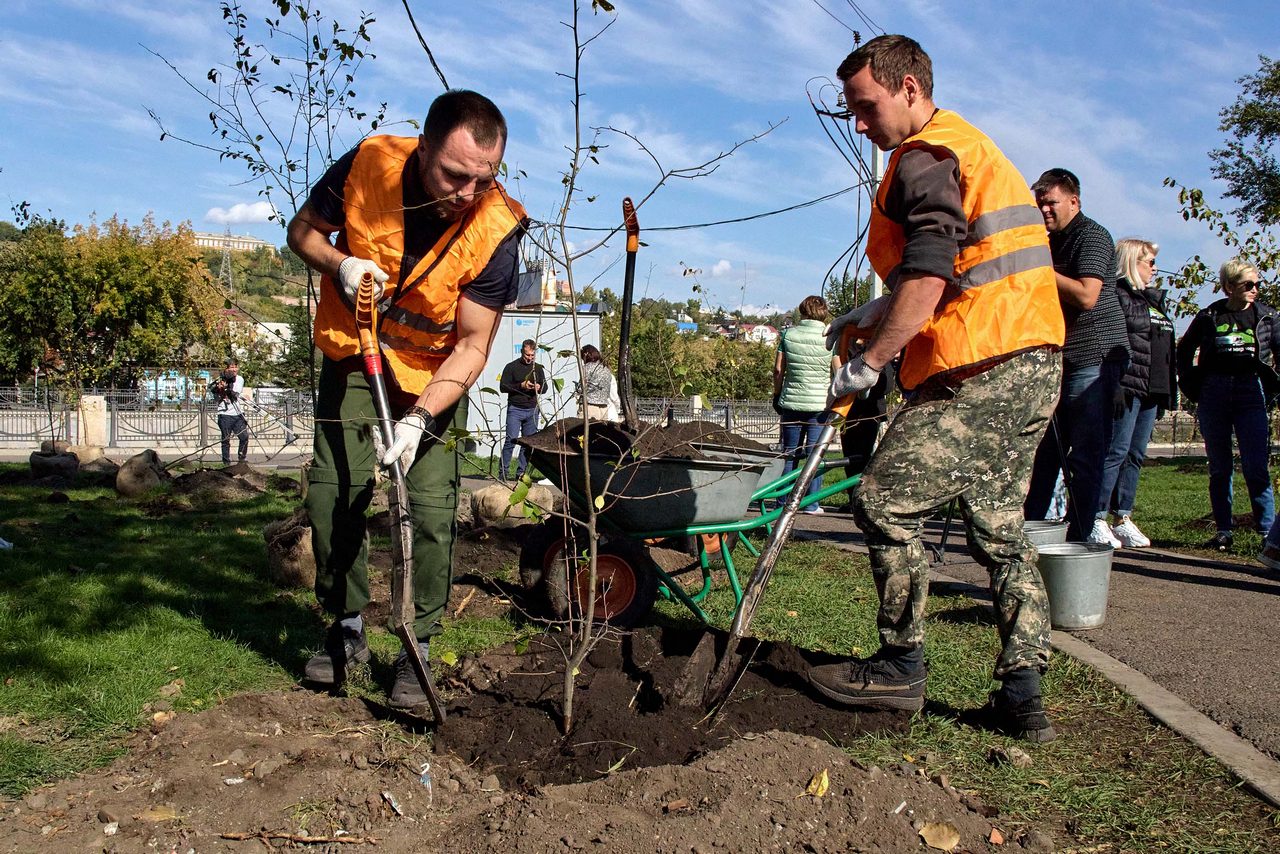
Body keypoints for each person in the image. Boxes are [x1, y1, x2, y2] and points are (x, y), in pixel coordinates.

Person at [812, 35, 1065, 742]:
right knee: (1001, 530)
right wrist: (875, 310)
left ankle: (900, 666)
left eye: (866, 107)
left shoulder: (924, 156)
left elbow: (928, 271)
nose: (860, 125)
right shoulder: (969, 146)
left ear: (910, 91)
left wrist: (871, 362)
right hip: (1034, 358)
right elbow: (959, 261)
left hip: (981, 365)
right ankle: (1023, 694)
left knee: (884, 499)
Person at [286, 89, 527, 708]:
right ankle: (345, 630)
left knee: (429, 508)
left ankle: (416, 643)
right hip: (352, 352)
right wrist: (339, 265)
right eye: (454, 175)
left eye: (483, 179)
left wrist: (421, 418)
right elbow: (302, 232)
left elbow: (473, 345)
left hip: (432, 374)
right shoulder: (369, 163)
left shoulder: (496, 227)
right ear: (424, 149)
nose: (466, 194)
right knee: (334, 493)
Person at [1023, 168, 1130, 543]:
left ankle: (1080, 539)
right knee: (1044, 452)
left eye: (1050, 202)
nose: (1044, 210)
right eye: (1039, 204)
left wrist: (1038, 269)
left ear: (1073, 201)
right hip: (1059, 357)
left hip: (1093, 355)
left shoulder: (1093, 236)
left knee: (1085, 455)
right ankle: (1029, 533)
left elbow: (1087, 295)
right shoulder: (1046, 242)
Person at [1177, 259, 1280, 551]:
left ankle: (1266, 533)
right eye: (1248, 285)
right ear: (1229, 287)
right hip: (1214, 392)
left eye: (1258, 284)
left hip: (1251, 391)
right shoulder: (1210, 316)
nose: (1255, 290)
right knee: (1220, 466)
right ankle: (1224, 531)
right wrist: (1192, 384)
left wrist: (1274, 387)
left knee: (1255, 465)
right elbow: (1185, 350)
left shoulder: (1268, 317)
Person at [1094, 239, 1177, 548]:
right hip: (1126, 386)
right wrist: (1114, 383)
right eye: (1149, 263)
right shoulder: (1116, 295)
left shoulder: (1152, 300)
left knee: (1136, 454)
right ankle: (1096, 516)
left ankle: (1123, 515)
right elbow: (1108, 341)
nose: (1154, 269)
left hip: (1152, 389)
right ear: (1131, 262)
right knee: (1115, 450)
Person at [773, 295, 835, 514]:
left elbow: (779, 369)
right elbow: (837, 369)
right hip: (820, 404)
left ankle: (781, 502)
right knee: (814, 454)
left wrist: (777, 394)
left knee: (790, 453)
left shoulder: (788, 335)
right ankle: (811, 503)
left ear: (802, 311)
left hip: (791, 402)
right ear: (823, 312)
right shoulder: (830, 337)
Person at [499, 339, 546, 481]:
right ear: (522, 352)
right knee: (511, 440)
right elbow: (503, 387)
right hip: (515, 409)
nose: (529, 358)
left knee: (528, 443)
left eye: (532, 356)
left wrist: (539, 387)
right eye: (527, 355)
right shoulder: (511, 367)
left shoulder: (537, 368)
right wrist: (521, 386)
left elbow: (545, 387)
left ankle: (521, 473)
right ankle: (503, 472)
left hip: (532, 409)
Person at [214, 360, 250, 466]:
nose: (234, 369)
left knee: (244, 436)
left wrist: (226, 388)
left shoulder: (239, 379)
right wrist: (219, 389)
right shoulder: (220, 380)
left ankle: (241, 459)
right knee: (225, 439)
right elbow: (216, 397)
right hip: (224, 415)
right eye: (231, 367)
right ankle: (226, 463)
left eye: (235, 367)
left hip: (238, 413)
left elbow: (235, 394)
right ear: (226, 369)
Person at [576, 344, 621, 421]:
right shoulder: (606, 370)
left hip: (589, 407)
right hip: (604, 408)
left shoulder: (586, 368)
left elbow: (581, 389)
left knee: (585, 431)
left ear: (586, 355)